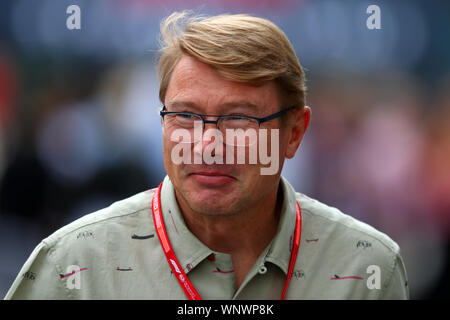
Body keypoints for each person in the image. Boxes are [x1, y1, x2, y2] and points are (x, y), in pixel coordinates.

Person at [4, 12, 408, 300]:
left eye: (239, 119)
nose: (207, 145)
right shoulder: (74, 263)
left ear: (294, 133)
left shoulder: (367, 267)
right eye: (185, 115)